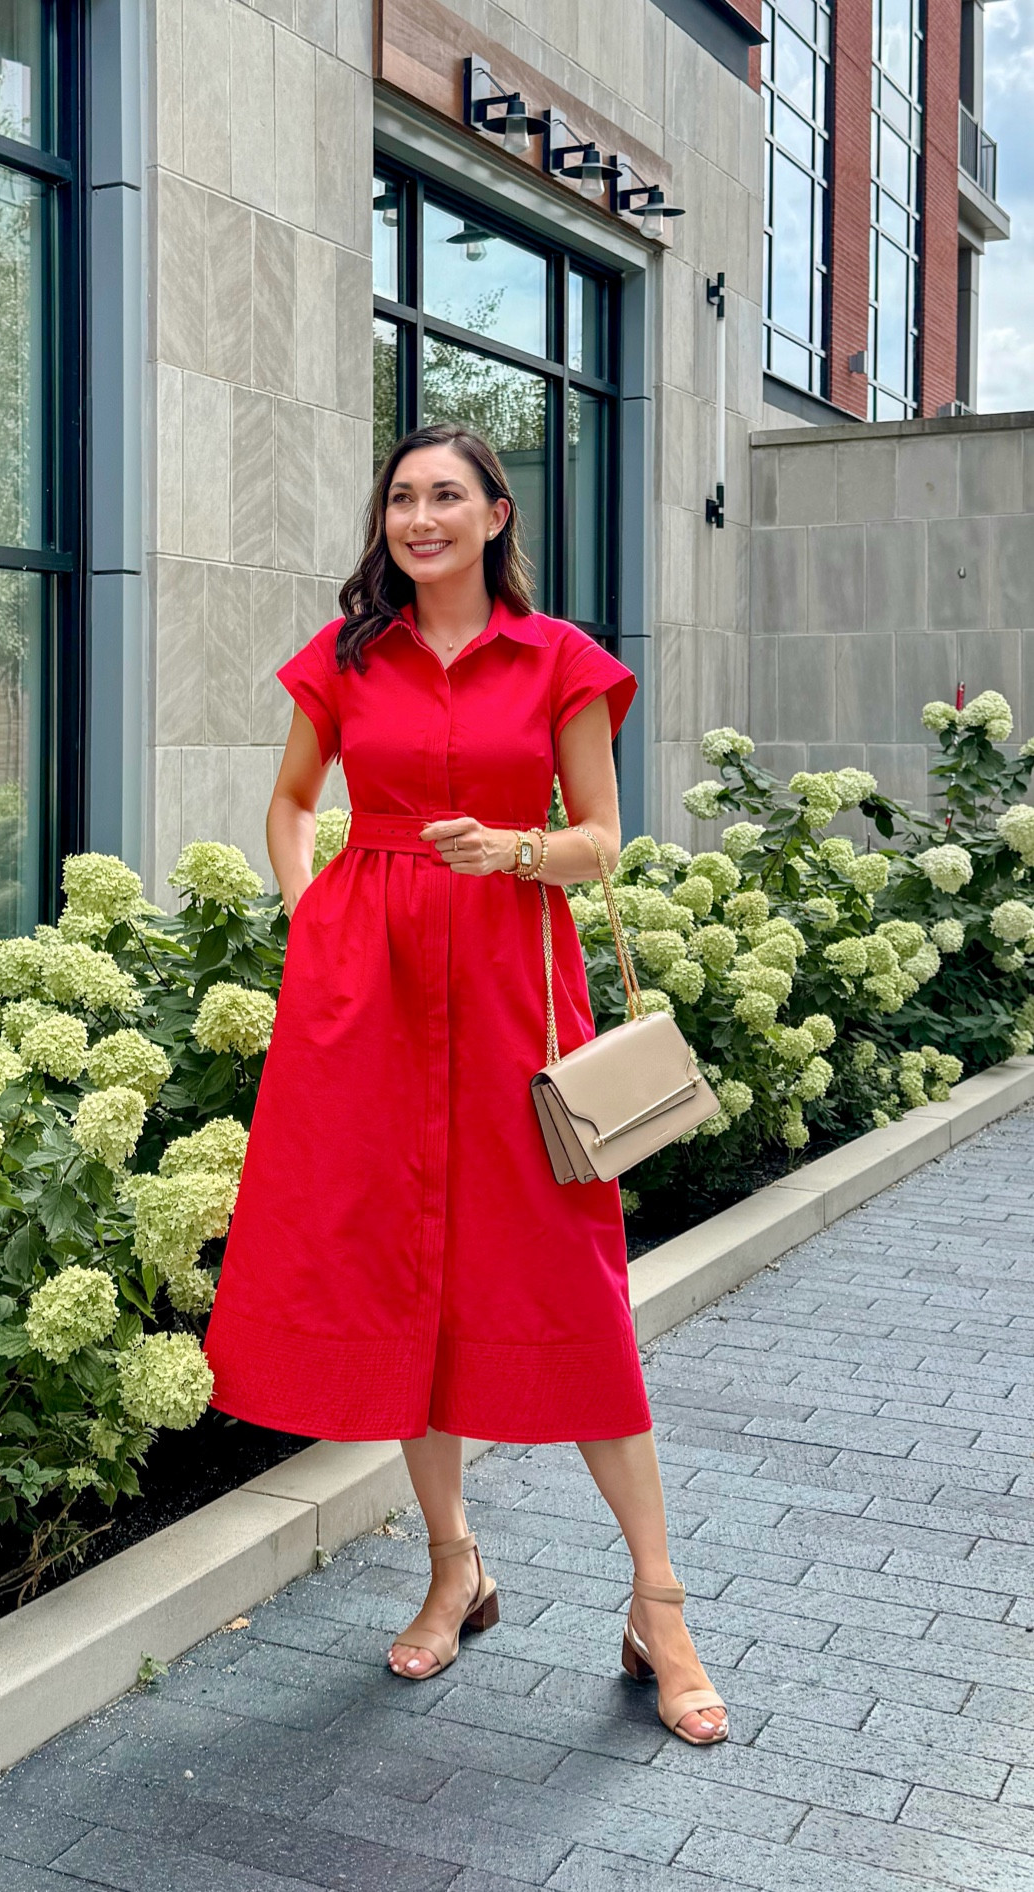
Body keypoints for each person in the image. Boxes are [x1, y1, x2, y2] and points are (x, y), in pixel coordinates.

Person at [201, 423, 728, 1745]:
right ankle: (454, 1568)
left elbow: (603, 844)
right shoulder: (346, 657)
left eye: (446, 496)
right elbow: (289, 802)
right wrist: (311, 913)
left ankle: (658, 1603)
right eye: (401, 498)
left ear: (497, 515)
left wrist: (514, 850)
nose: (420, 517)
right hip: (364, 995)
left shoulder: (559, 662)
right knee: (399, 1280)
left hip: (509, 993)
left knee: (570, 1280)